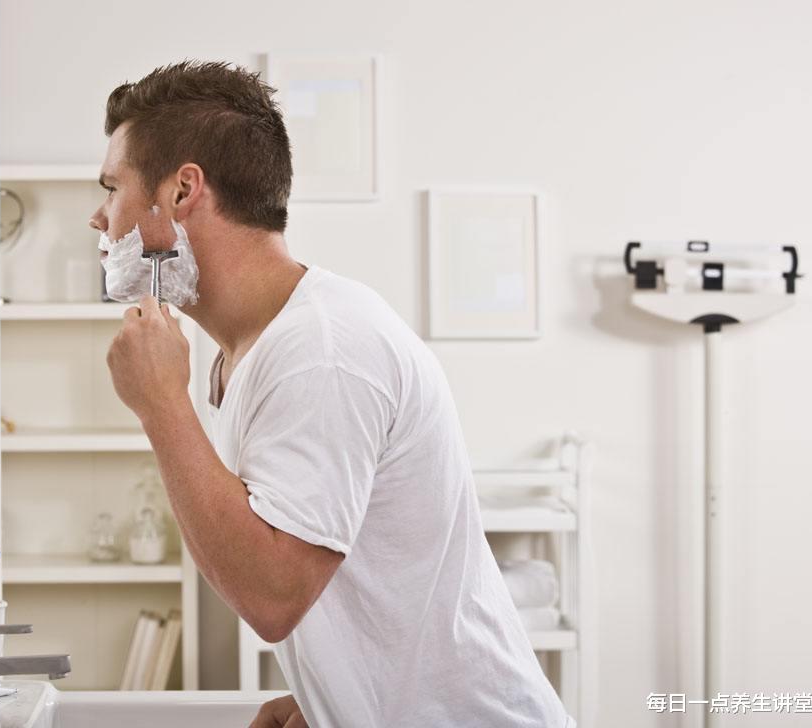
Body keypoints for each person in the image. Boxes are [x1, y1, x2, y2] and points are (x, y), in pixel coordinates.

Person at [93, 60, 575, 728]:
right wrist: (330, 701)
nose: (99, 217)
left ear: (181, 192)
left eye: (112, 188)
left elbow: (273, 596)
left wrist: (161, 407)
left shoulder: (321, 350)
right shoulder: (260, 347)